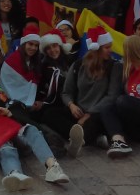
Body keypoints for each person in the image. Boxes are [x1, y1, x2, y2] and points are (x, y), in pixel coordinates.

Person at [0, 94, 70, 190]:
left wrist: (8, 114)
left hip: (18, 139)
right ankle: (15, 174)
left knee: (30, 129)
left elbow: (16, 126)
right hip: (2, 146)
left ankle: (52, 167)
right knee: (5, 147)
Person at [41, 29, 122, 157]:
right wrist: (71, 105)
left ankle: (81, 137)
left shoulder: (114, 67)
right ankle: (81, 137)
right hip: (79, 110)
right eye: (107, 48)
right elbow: (66, 92)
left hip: (98, 112)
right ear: (97, 49)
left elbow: (111, 96)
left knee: (93, 125)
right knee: (49, 114)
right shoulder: (78, 65)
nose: (110, 50)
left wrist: (88, 114)